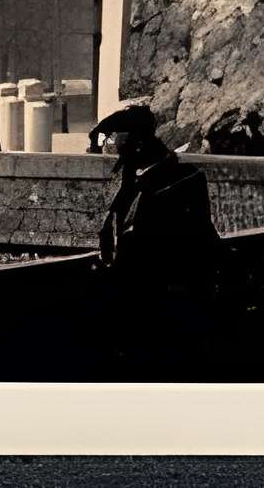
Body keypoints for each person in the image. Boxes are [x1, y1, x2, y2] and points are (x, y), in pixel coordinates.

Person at [90, 102, 227, 356]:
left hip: (161, 310)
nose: (115, 152)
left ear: (137, 146)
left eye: (118, 144)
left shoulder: (160, 187)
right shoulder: (183, 176)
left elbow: (141, 252)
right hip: (178, 305)